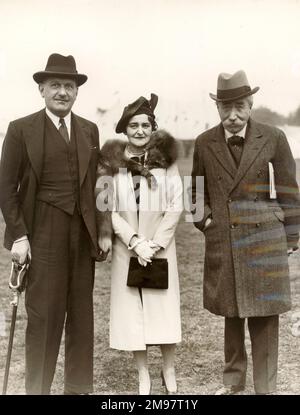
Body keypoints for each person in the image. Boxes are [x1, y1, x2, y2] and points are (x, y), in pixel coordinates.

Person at [0, 53, 111, 395]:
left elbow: (98, 184)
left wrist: (103, 232)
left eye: (69, 86)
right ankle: (37, 391)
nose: (63, 92)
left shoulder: (89, 130)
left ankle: (78, 390)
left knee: (81, 320)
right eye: (55, 86)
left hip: (81, 235)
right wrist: (19, 236)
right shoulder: (21, 129)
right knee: (44, 320)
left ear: (77, 92)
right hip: (42, 233)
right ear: (41, 90)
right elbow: (5, 187)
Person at [191, 70, 300, 395]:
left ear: (250, 105)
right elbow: (196, 194)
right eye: (226, 108)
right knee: (231, 313)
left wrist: (292, 235)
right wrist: (207, 222)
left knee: (265, 316)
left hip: (264, 241)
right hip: (224, 240)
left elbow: (289, 190)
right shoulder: (204, 142)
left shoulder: (274, 137)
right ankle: (232, 382)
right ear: (218, 109)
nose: (233, 115)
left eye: (239, 106)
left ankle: (265, 388)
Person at [96, 94, 183, 395]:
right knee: (133, 314)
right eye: (133, 126)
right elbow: (106, 207)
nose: (140, 131)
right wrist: (133, 241)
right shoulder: (110, 165)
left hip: (160, 247)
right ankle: (143, 374)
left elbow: (176, 205)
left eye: (146, 125)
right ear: (124, 129)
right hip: (127, 248)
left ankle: (168, 370)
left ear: (153, 128)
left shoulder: (166, 164)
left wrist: (156, 243)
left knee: (164, 310)